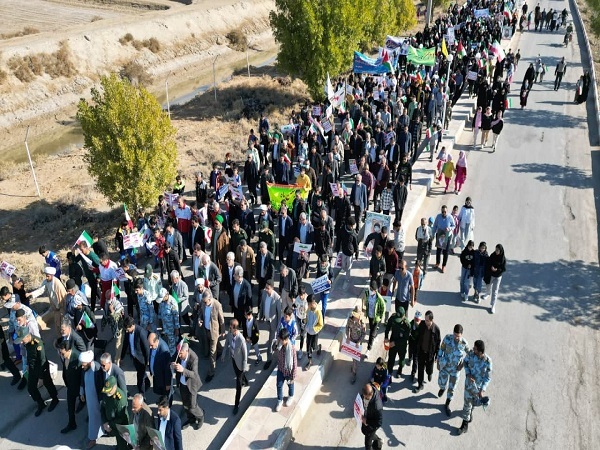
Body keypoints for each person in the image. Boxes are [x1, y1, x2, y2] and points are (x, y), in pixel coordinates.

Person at [14, 327, 59, 416]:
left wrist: (39, 374)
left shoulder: (37, 343)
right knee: (31, 388)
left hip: (42, 368)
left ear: (27, 336)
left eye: (22, 340)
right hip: (32, 368)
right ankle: (41, 403)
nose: (22, 342)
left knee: (48, 384)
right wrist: (28, 366)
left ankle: (55, 399)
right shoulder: (26, 342)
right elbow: (29, 356)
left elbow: (41, 359)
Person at [457, 340, 492, 435]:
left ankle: (471, 411)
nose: (473, 349)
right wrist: (468, 374)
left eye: (475, 348)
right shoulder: (471, 354)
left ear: (480, 351)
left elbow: (487, 377)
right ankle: (465, 425)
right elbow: (465, 362)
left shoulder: (487, 361)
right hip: (469, 384)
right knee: (467, 404)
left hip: (478, 388)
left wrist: (482, 389)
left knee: (474, 403)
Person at [438, 324, 469, 417]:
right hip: (445, 366)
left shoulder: (464, 343)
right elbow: (441, 349)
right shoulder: (447, 338)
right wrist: (438, 361)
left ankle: (447, 403)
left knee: (452, 389)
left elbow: (469, 355)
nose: (456, 337)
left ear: (461, 335)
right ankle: (442, 388)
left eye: (458, 336)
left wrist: (462, 364)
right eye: (455, 335)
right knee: (441, 383)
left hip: (455, 370)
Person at [172, 342, 204, 429]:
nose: (179, 356)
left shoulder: (193, 358)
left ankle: (200, 417)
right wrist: (172, 365)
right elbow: (173, 359)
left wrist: (183, 370)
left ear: (186, 351)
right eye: (178, 353)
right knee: (186, 405)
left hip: (191, 386)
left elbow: (194, 374)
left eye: (181, 354)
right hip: (182, 385)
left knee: (193, 406)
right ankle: (191, 419)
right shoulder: (179, 354)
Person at [221, 318, 249, 414]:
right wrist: (223, 354)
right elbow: (226, 344)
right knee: (238, 375)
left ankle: (236, 405)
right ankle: (245, 380)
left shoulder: (241, 339)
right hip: (234, 360)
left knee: (238, 384)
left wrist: (244, 367)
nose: (229, 328)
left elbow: (245, 355)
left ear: (235, 329)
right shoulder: (229, 334)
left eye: (231, 327)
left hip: (240, 363)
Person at [198, 290, 225, 382]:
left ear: (210, 299)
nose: (204, 304)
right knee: (216, 346)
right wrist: (199, 320)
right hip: (206, 330)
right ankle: (221, 350)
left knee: (212, 352)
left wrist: (223, 331)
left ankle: (211, 372)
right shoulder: (203, 303)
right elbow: (201, 313)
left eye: (205, 302)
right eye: (203, 302)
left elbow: (221, 320)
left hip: (214, 331)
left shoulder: (217, 305)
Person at [79, 350, 104, 449]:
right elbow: (82, 380)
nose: (82, 366)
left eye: (84, 364)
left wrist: (101, 400)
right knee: (94, 416)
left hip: (96, 399)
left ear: (90, 362)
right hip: (89, 397)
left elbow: (102, 385)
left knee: (94, 418)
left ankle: (92, 438)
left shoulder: (97, 369)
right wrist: (81, 392)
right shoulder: (85, 369)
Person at [57, 339, 82, 434]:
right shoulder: (64, 355)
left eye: (62, 353)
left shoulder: (77, 357)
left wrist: (82, 390)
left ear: (68, 350)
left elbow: (82, 375)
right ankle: (72, 424)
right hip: (70, 386)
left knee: (87, 403)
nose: (61, 355)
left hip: (79, 387)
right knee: (70, 405)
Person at [413, 310, 441, 393]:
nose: (425, 321)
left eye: (427, 320)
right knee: (420, 368)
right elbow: (417, 336)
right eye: (425, 319)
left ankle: (429, 373)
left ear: (431, 320)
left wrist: (437, 356)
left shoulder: (436, 329)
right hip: (421, 351)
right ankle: (420, 384)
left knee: (429, 368)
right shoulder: (422, 325)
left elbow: (438, 343)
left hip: (430, 354)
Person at [121, 316, 150, 395]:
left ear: (132, 325)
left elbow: (146, 348)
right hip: (134, 357)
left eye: (128, 329)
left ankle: (141, 395)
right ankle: (147, 383)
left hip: (141, 360)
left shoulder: (141, 332)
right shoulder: (128, 332)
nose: (127, 331)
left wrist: (147, 361)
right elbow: (125, 344)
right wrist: (122, 357)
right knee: (141, 373)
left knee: (140, 378)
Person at [101, 375, 130, 450]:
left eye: (109, 390)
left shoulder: (120, 399)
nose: (107, 393)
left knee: (122, 445)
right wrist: (105, 422)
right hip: (110, 423)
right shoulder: (107, 393)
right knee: (118, 443)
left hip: (120, 426)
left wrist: (109, 424)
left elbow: (121, 419)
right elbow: (103, 407)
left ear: (114, 387)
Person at [261, 279, 283, 370]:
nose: (266, 290)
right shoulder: (264, 294)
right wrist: (261, 315)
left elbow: (279, 314)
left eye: (268, 288)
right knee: (272, 342)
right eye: (265, 287)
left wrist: (278, 327)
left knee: (271, 342)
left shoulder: (277, 298)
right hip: (266, 321)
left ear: (272, 288)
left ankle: (269, 359)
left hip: (273, 324)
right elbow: (262, 304)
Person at [274, 327, 297, 411]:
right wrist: (276, 343)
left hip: (288, 371)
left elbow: (294, 363)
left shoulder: (292, 348)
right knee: (279, 385)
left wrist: (293, 376)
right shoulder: (279, 345)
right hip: (280, 369)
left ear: (287, 339)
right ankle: (280, 400)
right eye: (280, 339)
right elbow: (274, 349)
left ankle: (291, 396)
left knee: (290, 385)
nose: (281, 341)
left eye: (283, 340)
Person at [384, 305, 411, 378]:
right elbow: (388, 327)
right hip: (393, 340)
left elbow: (406, 338)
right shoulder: (393, 318)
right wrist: (386, 337)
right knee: (391, 357)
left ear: (403, 316)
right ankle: (389, 371)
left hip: (402, 344)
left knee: (401, 358)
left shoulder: (407, 324)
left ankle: (400, 369)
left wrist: (395, 343)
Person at [40, 266, 67, 335]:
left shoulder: (57, 284)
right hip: (55, 308)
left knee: (63, 325)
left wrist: (62, 308)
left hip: (61, 308)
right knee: (57, 324)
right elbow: (41, 289)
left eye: (48, 276)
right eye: (46, 276)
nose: (46, 278)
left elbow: (63, 297)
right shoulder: (46, 282)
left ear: (52, 275)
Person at [362, 280, 386, 352]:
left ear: (376, 290)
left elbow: (383, 307)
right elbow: (365, 302)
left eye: (373, 290)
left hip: (376, 318)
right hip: (370, 316)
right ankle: (374, 336)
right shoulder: (367, 294)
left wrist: (380, 316)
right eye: (370, 289)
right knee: (371, 328)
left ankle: (369, 348)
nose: (371, 291)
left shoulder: (379, 298)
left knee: (371, 333)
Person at [483, 244, 506, 314]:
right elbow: (488, 263)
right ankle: (487, 293)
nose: (496, 251)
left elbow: (503, 269)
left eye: (498, 250)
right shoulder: (492, 255)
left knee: (495, 291)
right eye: (496, 250)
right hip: (491, 275)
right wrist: (491, 267)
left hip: (498, 276)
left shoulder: (503, 259)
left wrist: (497, 269)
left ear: (500, 251)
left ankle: (493, 305)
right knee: (488, 285)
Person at [148, 333, 173, 397]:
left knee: (166, 396)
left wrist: (168, 384)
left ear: (156, 341)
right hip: (157, 376)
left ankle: (167, 404)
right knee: (159, 392)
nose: (150, 347)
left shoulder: (164, 351)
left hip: (163, 380)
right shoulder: (153, 346)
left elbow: (167, 369)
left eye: (151, 345)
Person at [157, 288, 180, 356]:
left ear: (166, 295)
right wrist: (160, 321)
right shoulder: (162, 302)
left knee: (172, 343)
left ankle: (172, 357)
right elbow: (160, 311)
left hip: (171, 327)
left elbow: (176, 317)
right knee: (169, 341)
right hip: (165, 326)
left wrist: (176, 328)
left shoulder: (173, 302)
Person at [361, 383, 384, 450]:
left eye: (366, 398)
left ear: (371, 395)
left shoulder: (377, 407)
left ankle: (377, 445)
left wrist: (367, 421)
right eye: (364, 396)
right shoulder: (368, 391)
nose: (364, 398)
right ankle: (379, 440)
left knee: (367, 443)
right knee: (367, 433)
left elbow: (379, 422)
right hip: (366, 419)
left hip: (371, 426)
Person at [432, 205, 455, 273]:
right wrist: (433, 234)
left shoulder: (450, 217)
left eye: (445, 211)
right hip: (440, 235)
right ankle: (437, 263)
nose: (443, 213)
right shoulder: (438, 216)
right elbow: (435, 226)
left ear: (447, 211)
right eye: (442, 211)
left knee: (446, 252)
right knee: (439, 250)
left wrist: (449, 228)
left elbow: (454, 225)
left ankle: (443, 265)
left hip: (447, 235)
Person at [346, 306, 365, 384]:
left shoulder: (362, 323)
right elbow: (347, 328)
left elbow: (364, 334)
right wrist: (348, 336)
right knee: (352, 356)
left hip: (358, 342)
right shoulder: (350, 320)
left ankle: (354, 373)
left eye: (357, 316)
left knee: (355, 359)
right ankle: (354, 366)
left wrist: (359, 342)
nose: (355, 317)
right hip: (351, 340)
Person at [304, 294, 323, 370]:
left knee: (314, 347)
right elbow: (306, 317)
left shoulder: (318, 312)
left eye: (309, 303)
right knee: (308, 348)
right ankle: (310, 362)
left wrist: (314, 329)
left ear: (313, 302)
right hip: (308, 331)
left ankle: (318, 347)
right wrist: (305, 324)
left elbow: (321, 324)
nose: (308, 305)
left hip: (314, 333)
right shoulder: (308, 309)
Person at [407, 310, 422, 382]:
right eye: (415, 319)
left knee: (415, 359)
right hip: (411, 341)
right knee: (410, 351)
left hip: (417, 344)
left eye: (418, 320)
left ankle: (413, 372)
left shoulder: (421, 326)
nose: (416, 321)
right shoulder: (412, 322)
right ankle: (409, 358)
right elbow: (408, 327)